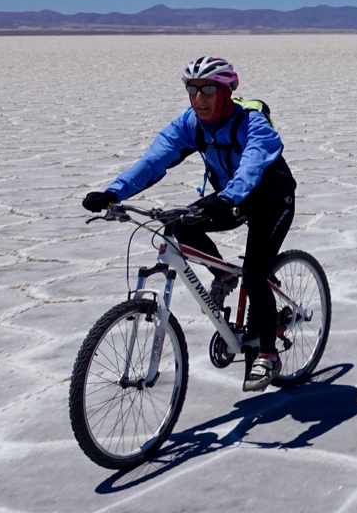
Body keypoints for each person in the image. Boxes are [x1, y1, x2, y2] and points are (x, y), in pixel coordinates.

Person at [81, 56, 296, 392]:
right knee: (177, 225)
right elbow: (154, 159)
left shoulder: (252, 123)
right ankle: (224, 276)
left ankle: (268, 355)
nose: (199, 98)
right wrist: (113, 193)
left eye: (208, 89)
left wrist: (227, 197)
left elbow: (253, 164)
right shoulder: (190, 124)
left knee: (255, 275)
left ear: (227, 91)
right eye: (192, 89)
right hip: (229, 198)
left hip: (271, 201)